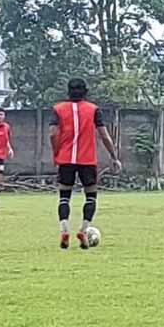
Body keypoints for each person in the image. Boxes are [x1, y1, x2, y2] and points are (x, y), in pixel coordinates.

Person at [50, 78, 121, 249]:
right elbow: (104, 136)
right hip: (87, 160)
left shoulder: (58, 109)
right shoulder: (93, 109)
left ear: (68, 91)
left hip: (66, 159)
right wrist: (113, 156)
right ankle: (83, 229)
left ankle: (64, 230)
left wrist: (56, 153)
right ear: (86, 91)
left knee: (64, 196)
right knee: (90, 195)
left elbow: (52, 134)